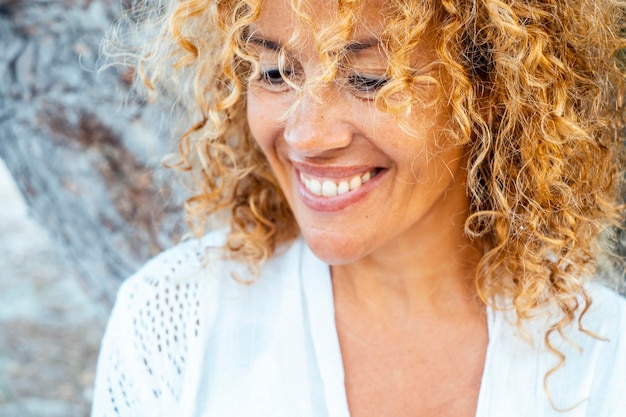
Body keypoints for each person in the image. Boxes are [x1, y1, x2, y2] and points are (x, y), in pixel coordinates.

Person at [92, 0, 626, 415]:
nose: (307, 134)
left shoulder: (604, 359)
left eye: (370, 79)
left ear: (489, 87)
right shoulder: (173, 318)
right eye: (275, 73)